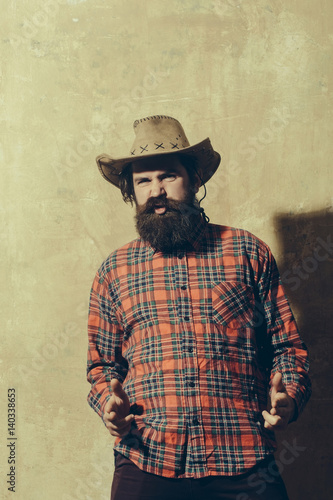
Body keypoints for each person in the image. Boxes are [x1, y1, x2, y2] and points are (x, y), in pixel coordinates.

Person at [86, 115, 311, 500]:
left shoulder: (246, 251)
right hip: (147, 458)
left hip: (243, 457)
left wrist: (287, 397)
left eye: (168, 176)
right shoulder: (114, 271)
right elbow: (102, 366)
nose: (156, 190)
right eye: (143, 181)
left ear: (193, 179)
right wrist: (109, 403)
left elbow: (287, 349)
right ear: (132, 192)